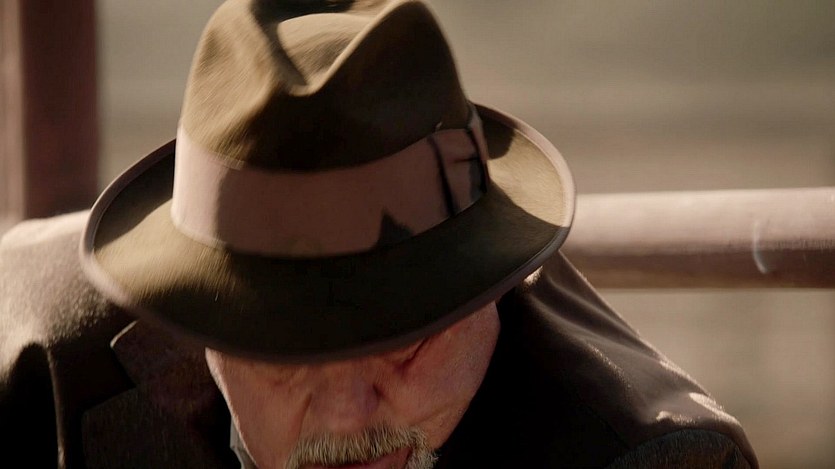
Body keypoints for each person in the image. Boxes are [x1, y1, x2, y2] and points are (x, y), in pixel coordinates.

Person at [0, 0, 758, 467]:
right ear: (197, 321)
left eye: (403, 345)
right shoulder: (40, 354)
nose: (345, 417)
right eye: (286, 356)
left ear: (485, 291)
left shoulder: (653, 460)